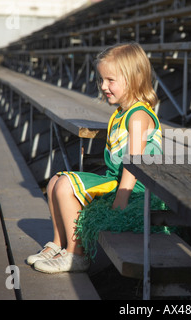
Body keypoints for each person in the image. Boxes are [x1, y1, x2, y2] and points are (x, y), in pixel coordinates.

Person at [27, 42, 163, 273]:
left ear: (134, 79)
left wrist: (122, 197)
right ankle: (59, 244)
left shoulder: (139, 115)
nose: (103, 86)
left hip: (136, 188)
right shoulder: (121, 112)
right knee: (54, 182)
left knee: (65, 186)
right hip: (116, 179)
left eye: (111, 80)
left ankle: (76, 255)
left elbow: (134, 162)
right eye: (101, 80)